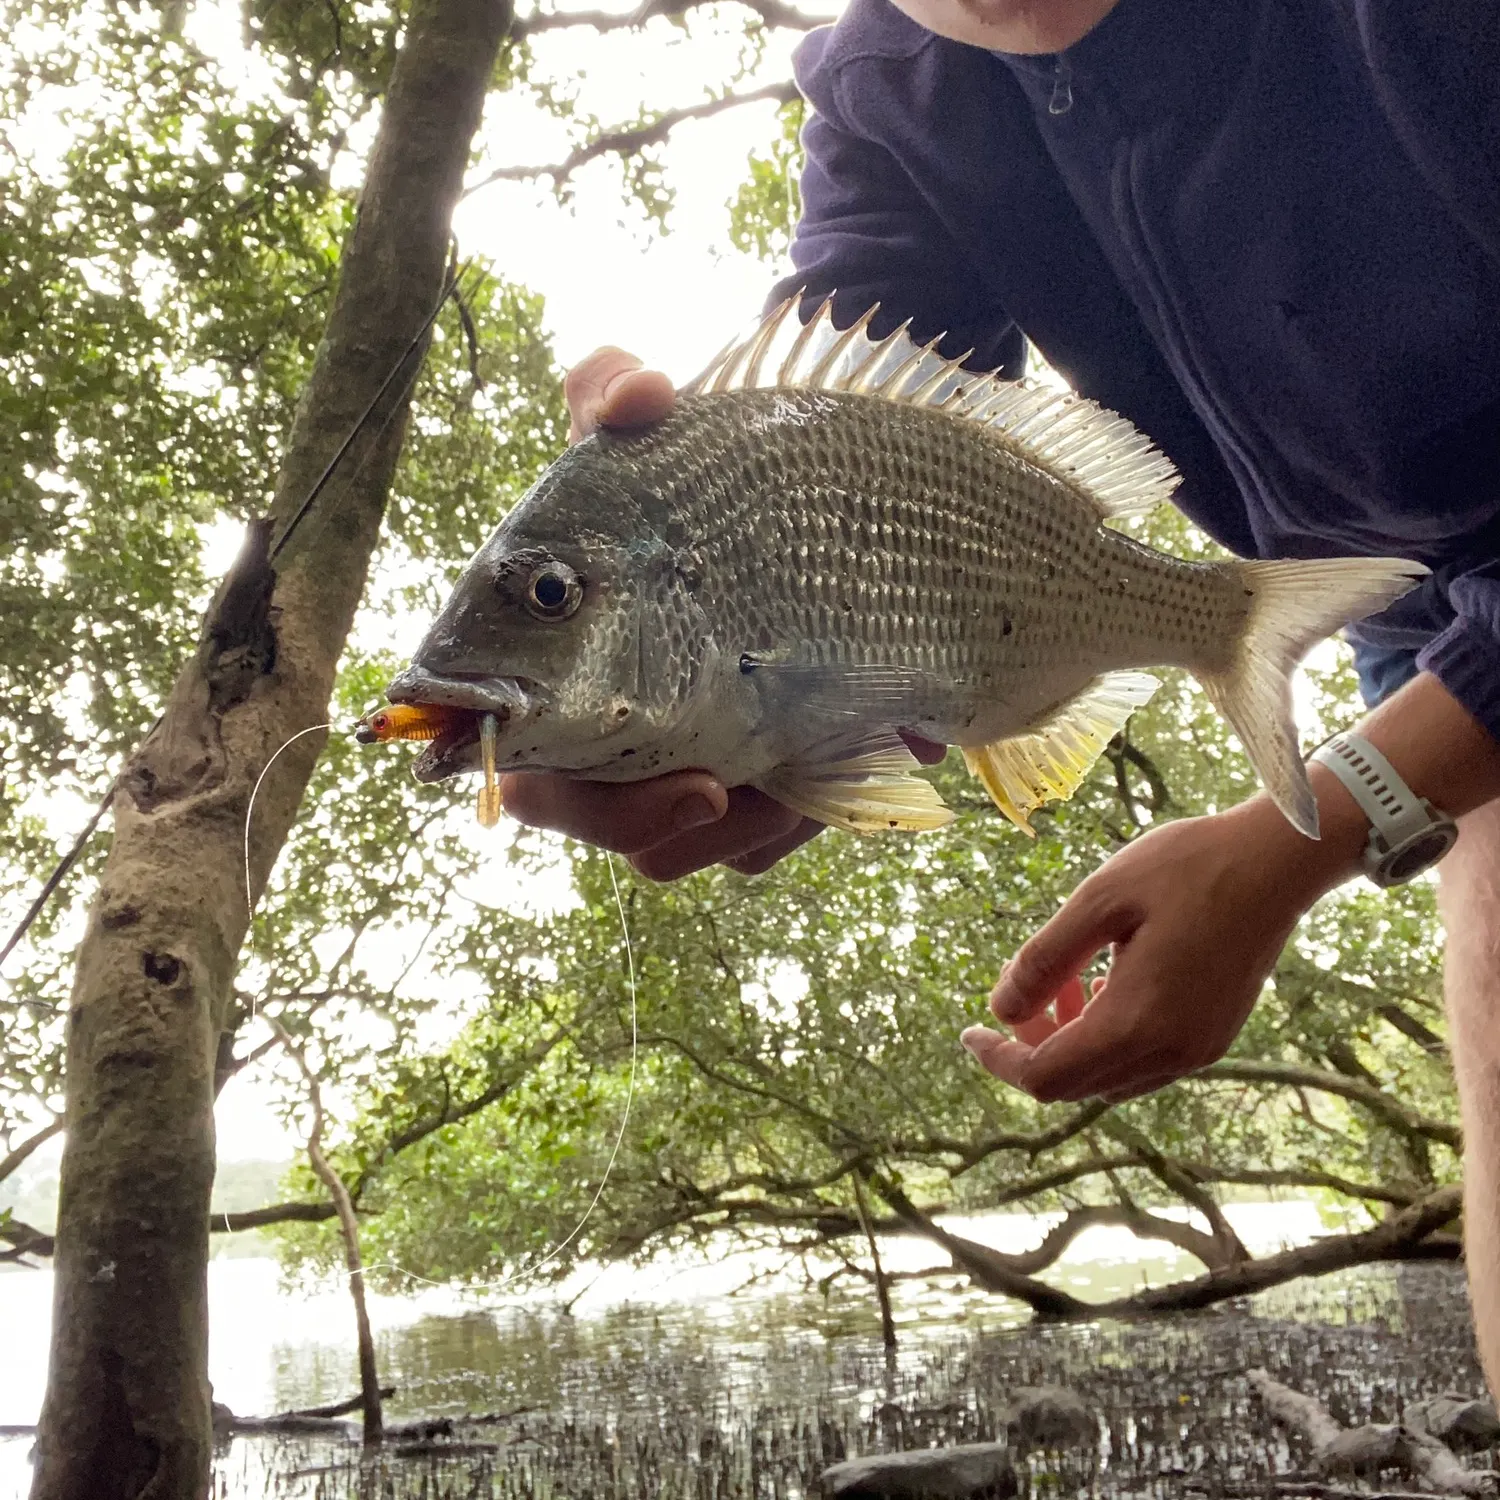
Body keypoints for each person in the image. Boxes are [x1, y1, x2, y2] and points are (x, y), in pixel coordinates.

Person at [501, 0, 1500, 1383]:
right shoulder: (886, 92)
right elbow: (861, 416)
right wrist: (743, 675)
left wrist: (1303, 834)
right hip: (1416, 596)